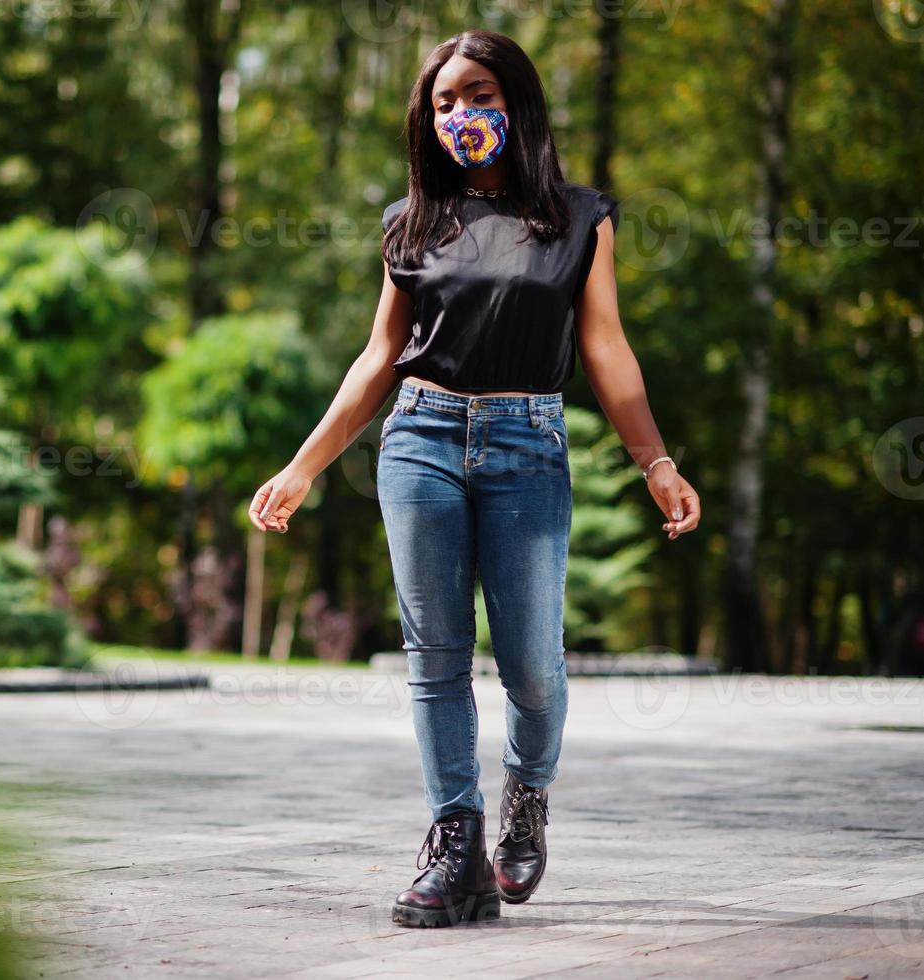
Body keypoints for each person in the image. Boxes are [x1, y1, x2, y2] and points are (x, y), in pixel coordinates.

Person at [246, 29, 701, 929]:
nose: (460, 115)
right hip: (418, 440)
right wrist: (302, 467)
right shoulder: (410, 222)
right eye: (443, 103)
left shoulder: (579, 217)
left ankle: (524, 799)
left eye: (478, 95)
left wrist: (655, 460)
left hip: (527, 442)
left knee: (531, 664)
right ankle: (455, 844)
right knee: (436, 658)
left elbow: (605, 348)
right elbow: (379, 358)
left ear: (517, 103)